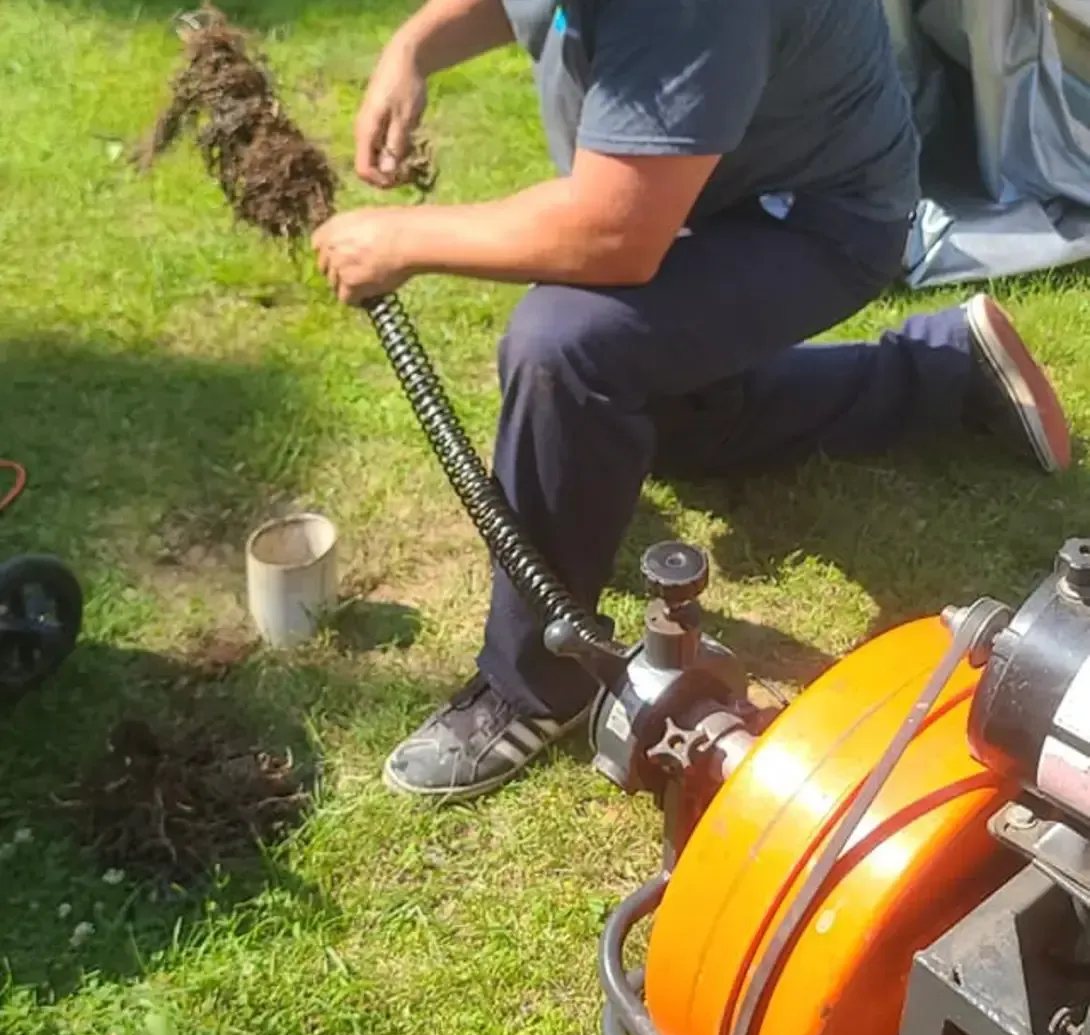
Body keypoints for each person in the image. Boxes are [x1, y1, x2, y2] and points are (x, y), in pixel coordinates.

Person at [311, 0, 1073, 803]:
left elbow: (614, 233)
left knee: (566, 347)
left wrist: (398, 240)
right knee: (653, 424)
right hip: (717, 183)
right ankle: (944, 369)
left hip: (813, 214)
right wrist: (414, 48)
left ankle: (535, 684)